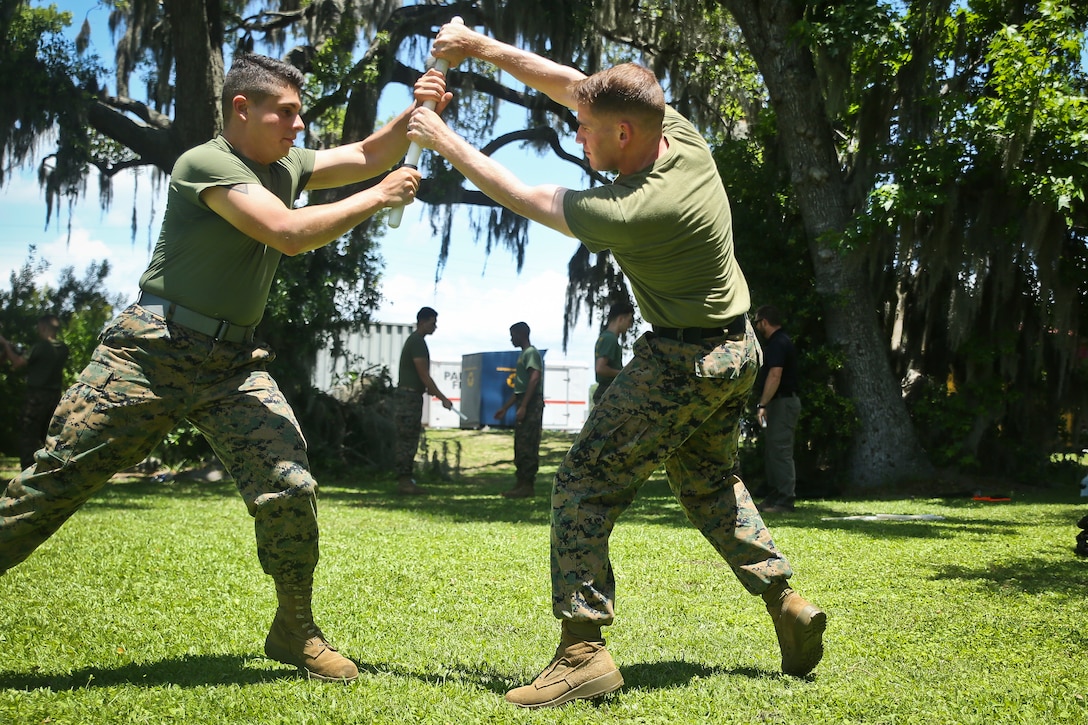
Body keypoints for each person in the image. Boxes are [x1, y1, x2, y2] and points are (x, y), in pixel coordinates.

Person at [408, 24, 826, 709]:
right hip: (737, 351)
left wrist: (439, 136)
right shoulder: (680, 134)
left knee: (583, 483)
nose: (577, 135)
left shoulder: (633, 210)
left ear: (624, 135)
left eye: (584, 129)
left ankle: (582, 650)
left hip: (682, 358)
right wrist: (477, 46)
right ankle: (786, 601)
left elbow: (518, 195)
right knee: (712, 487)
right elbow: (574, 84)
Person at [0, 53, 450, 683]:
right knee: (50, 488)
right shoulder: (206, 164)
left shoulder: (288, 163)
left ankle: (294, 630)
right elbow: (288, 233)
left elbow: (373, 151)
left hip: (232, 363)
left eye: (301, 114)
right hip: (150, 353)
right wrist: (378, 198)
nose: (299, 127)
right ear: (243, 109)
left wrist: (419, 103)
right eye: (287, 113)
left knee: (288, 484)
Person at [394, 306, 454, 495]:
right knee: (407, 439)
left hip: (411, 396)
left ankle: (406, 479)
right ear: (422, 321)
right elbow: (424, 375)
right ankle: (404, 481)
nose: (435, 326)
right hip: (409, 398)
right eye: (432, 322)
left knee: (409, 438)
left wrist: (427, 388)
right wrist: (443, 398)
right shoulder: (418, 342)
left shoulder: (415, 341)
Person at [0, 315, 70, 470]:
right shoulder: (63, 348)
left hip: (36, 398)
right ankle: (51, 470)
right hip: (54, 398)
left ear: (44, 327)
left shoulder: (40, 347)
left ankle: (27, 471)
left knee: (28, 436)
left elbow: (17, 363)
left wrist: (5, 344)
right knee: (49, 437)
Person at [753, 305, 801, 513]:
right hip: (778, 403)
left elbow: (775, 375)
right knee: (773, 450)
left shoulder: (778, 343)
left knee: (780, 450)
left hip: (783, 402)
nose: (756, 327)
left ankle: (785, 500)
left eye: (757, 322)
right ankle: (773, 497)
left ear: (764, 321)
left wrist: (762, 404)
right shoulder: (778, 342)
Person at [494, 321, 544, 499]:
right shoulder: (524, 355)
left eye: (513, 335)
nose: (511, 339)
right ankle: (520, 483)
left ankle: (527, 485)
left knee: (528, 443)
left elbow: (534, 378)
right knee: (521, 444)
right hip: (525, 401)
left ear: (521, 334)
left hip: (531, 404)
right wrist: (505, 408)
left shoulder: (531, 353)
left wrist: (524, 406)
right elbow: (519, 389)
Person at [592, 301, 634, 405]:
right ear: (620, 319)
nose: (629, 326)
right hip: (608, 391)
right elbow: (600, 368)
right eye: (629, 321)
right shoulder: (610, 339)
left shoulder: (605, 337)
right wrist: (624, 373)